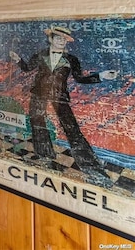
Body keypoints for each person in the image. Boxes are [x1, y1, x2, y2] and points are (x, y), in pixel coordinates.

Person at [9, 25, 117, 187]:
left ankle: (90, 165)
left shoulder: (71, 59)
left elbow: (80, 78)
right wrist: (18, 60)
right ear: (50, 39)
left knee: (71, 128)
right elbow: (27, 68)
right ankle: (44, 154)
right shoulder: (40, 55)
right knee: (37, 122)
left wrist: (101, 76)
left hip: (60, 96)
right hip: (39, 93)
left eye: (64, 38)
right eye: (58, 37)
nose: (61, 41)